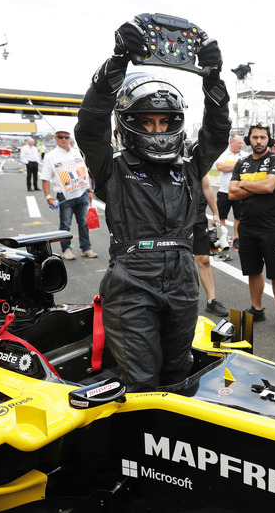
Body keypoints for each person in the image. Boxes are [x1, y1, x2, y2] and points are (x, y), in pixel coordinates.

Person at [74, 20, 231, 391]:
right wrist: (117, 62)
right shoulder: (110, 167)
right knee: (142, 380)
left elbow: (217, 133)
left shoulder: (191, 167)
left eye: (165, 122)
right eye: (147, 121)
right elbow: (89, 126)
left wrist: (213, 81)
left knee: (179, 370)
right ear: (128, 124)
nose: (158, 130)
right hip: (131, 283)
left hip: (183, 280)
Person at [229, 123, 275, 334]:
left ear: (269, 140)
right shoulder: (242, 163)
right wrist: (256, 186)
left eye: (263, 137)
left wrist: (244, 185)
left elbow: (269, 186)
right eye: (254, 137)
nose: (258, 141)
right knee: (253, 271)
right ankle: (257, 309)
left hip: (271, 227)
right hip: (247, 226)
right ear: (249, 139)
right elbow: (231, 194)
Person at [41, 130, 97, 261]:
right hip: (64, 196)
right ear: (56, 138)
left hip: (82, 193)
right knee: (65, 224)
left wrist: (89, 191)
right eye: (60, 137)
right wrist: (47, 196)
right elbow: (45, 178)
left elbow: (84, 173)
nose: (64, 139)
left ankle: (86, 248)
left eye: (66, 137)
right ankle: (66, 249)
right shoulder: (51, 156)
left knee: (83, 223)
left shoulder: (77, 152)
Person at [195, 174, 228, 317]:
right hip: (174, 216)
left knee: (204, 259)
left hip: (197, 215)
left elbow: (206, 186)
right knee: (174, 258)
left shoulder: (194, 157)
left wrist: (215, 213)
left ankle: (211, 301)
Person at [214, 134, 244, 252]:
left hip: (238, 192)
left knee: (239, 217)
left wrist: (230, 166)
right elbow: (220, 166)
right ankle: (222, 238)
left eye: (242, 143)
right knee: (221, 217)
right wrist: (238, 165)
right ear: (232, 143)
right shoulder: (223, 154)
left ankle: (237, 238)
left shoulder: (245, 155)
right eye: (239, 143)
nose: (241, 145)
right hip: (224, 191)